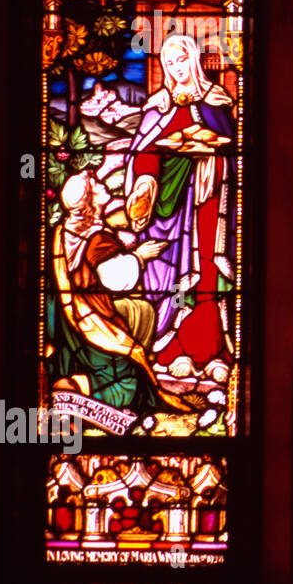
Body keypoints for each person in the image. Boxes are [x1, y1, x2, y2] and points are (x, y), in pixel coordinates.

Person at [124, 34, 236, 384]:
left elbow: (232, 150)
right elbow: (143, 153)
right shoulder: (158, 106)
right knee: (175, 277)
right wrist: (145, 185)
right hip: (169, 211)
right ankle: (174, 351)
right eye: (169, 63)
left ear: (195, 60)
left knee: (206, 273)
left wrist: (213, 158)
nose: (177, 68)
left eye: (182, 60)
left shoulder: (218, 103)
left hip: (208, 200)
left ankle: (213, 352)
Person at [48, 170, 188, 416]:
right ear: (91, 202)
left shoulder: (63, 231)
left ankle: (74, 380)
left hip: (63, 322)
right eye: (94, 183)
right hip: (91, 322)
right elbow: (116, 280)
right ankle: (77, 389)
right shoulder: (95, 239)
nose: (99, 181)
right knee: (131, 382)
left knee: (140, 311)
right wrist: (140, 257)